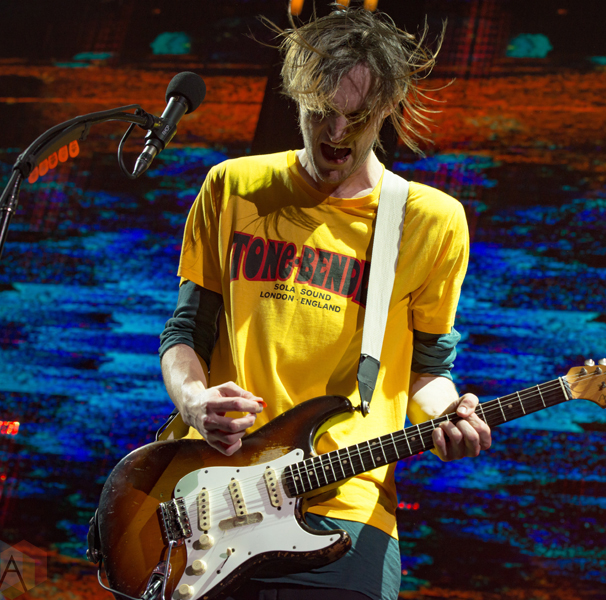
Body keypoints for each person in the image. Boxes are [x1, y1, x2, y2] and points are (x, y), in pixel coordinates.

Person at [158, 5, 491, 600]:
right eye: (321, 111)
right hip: (211, 501)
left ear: (388, 107)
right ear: (296, 96)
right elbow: (185, 334)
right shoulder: (232, 186)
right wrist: (195, 400)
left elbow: (427, 372)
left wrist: (450, 415)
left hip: (347, 510)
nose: (336, 133)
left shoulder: (431, 220)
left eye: (357, 117)